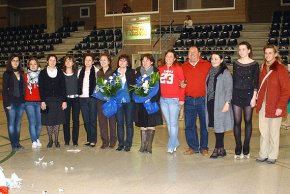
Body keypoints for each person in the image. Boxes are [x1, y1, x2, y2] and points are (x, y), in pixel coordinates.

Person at [256, 45, 290, 164]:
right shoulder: (263, 67)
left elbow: (286, 90)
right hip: (263, 105)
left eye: (270, 53)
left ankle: (272, 155)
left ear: (275, 54)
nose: (267, 55)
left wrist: (281, 107)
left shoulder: (281, 69)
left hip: (275, 105)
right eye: (266, 53)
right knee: (263, 130)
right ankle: (263, 153)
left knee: (273, 132)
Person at [181, 46, 211, 156]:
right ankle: (193, 147)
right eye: (190, 52)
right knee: (189, 125)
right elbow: (179, 82)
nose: (192, 54)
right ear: (187, 55)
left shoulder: (207, 65)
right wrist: (180, 84)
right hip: (188, 99)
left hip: (203, 99)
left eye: (194, 52)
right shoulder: (183, 66)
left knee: (204, 124)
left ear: (199, 54)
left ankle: (204, 147)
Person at [232, 41, 259, 159]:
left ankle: (246, 147)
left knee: (248, 121)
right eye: (240, 49)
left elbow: (255, 82)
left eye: (243, 49)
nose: (241, 51)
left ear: (249, 50)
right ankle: (238, 147)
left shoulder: (254, 64)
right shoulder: (236, 63)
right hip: (236, 94)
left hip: (249, 94)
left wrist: (254, 97)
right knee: (237, 122)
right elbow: (234, 80)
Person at [206, 52, 233, 159]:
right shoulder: (210, 72)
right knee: (216, 125)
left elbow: (229, 88)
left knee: (219, 125)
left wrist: (227, 102)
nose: (213, 61)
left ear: (221, 60)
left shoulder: (225, 72)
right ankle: (222, 149)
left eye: (216, 59)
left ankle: (217, 148)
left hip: (221, 102)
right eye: (212, 58)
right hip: (211, 101)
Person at [134, 53, 163, 153]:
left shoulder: (156, 71)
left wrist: (152, 99)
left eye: (147, 60)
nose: (144, 62)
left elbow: (158, 87)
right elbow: (135, 86)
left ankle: (149, 146)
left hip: (152, 101)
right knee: (142, 123)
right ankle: (143, 145)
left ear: (151, 62)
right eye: (143, 60)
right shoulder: (138, 71)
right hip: (141, 102)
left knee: (151, 123)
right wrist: (139, 97)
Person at [159, 49, 185, 154]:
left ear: (174, 59)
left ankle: (171, 144)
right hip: (163, 99)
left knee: (173, 123)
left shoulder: (178, 68)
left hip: (174, 99)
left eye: (171, 56)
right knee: (169, 123)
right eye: (167, 56)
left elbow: (183, 84)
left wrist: (182, 99)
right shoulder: (160, 69)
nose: (168, 58)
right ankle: (175, 142)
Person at [39, 54, 67, 148]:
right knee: (49, 121)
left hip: (58, 100)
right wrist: (42, 101)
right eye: (50, 60)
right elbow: (41, 88)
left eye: (54, 60)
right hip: (47, 100)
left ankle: (56, 140)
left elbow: (63, 87)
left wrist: (64, 100)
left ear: (56, 62)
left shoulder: (60, 72)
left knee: (57, 121)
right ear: (47, 61)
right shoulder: (42, 73)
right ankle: (50, 140)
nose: (52, 62)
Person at [2, 54, 25, 151]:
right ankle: (13, 145)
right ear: (10, 62)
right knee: (11, 124)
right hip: (10, 103)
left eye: (17, 60)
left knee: (18, 124)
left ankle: (17, 143)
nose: (15, 62)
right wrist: (7, 104)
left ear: (19, 62)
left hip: (20, 102)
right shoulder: (7, 73)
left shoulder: (22, 72)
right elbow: (4, 90)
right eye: (13, 60)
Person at [114, 54, 135, 152]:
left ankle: (128, 144)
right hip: (118, 102)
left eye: (124, 60)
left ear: (127, 63)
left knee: (129, 123)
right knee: (120, 123)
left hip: (129, 101)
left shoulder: (131, 72)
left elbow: (135, 86)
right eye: (120, 60)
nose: (121, 62)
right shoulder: (114, 73)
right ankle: (121, 143)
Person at [78, 53, 99, 147]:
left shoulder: (96, 71)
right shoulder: (80, 71)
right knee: (86, 120)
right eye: (86, 60)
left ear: (93, 61)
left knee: (93, 120)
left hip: (92, 99)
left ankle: (93, 140)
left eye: (90, 60)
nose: (87, 62)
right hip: (82, 98)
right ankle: (89, 139)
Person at [97, 53, 117, 149]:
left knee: (112, 121)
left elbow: (116, 86)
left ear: (109, 61)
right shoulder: (98, 73)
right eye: (101, 60)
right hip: (100, 100)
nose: (103, 62)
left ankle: (113, 141)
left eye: (105, 60)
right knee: (102, 121)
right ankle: (105, 141)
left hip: (110, 100)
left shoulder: (113, 72)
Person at [24, 58, 42, 149]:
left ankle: (36, 137)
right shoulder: (25, 76)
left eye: (35, 64)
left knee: (39, 123)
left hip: (39, 102)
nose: (33, 65)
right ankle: (34, 140)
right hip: (28, 102)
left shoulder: (42, 75)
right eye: (31, 64)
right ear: (29, 66)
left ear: (37, 65)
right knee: (32, 122)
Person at [63, 55, 80, 146]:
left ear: (73, 63)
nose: (68, 63)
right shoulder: (61, 74)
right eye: (66, 61)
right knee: (66, 120)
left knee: (76, 120)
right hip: (66, 100)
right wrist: (62, 100)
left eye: (70, 61)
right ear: (64, 63)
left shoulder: (77, 73)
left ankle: (75, 141)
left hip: (76, 99)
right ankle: (66, 140)